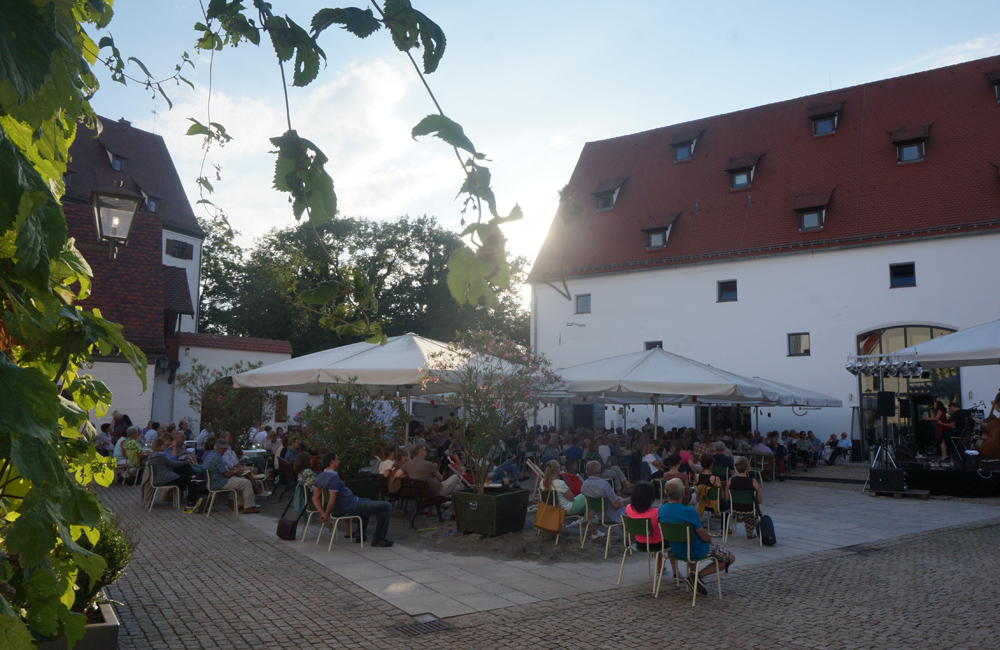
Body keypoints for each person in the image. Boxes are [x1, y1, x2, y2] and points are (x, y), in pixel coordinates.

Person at [658, 478, 735, 596]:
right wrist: (709, 540)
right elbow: (704, 538)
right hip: (695, 549)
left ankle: (693, 574)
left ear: (667, 493)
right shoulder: (689, 511)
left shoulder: (661, 510)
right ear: (683, 493)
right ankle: (696, 576)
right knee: (730, 557)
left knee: (690, 541)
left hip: (676, 550)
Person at [312, 452, 394, 547]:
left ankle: (360, 534)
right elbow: (332, 500)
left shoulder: (320, 476)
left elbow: (315, 498)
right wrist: (326, 514)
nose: (339, 461)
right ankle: (379, 538)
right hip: (350, 506)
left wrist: (322, 513)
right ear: (332, 461)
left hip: (349, 503)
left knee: (367, 500)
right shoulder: (333, 477)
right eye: (337, 459)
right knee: (386, 506)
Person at [203, 439, 259, 513]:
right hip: (219, 483)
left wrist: (234, 470)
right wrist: (236, 471)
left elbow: (223, 468)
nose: (225, 451)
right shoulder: (217, 458)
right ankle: (248, 507)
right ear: (221, 449)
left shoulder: (211, 455)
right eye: (225, 449)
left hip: (212, 481)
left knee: (240, 480)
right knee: (247, 483)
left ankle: (240, 503)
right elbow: (227, 474)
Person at [623, 480, 664, 573]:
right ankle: (673, 572)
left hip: (640, 542)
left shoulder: (628, 508)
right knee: (668, 540)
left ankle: (660, 567)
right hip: (655, 544)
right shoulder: (656, 512)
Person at [580, 460, 628, 538]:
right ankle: (630, 539)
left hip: (599, 516)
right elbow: (616, 505)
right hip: (612, 516)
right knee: (629, 506)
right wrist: (626, 501)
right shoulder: (604, 484)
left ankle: (594, 532)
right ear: (599, 470)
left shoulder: (584, 485)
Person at [146, 438, 195, 505]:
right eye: (163, 445)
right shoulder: (160, 456)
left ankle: (183, 498)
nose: (165, 446)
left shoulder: (152, 455)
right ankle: (191, 501)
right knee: (191, 480)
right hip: (164, 479)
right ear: (159, 446)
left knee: (184, 477)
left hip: (159, 478)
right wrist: (186, 462)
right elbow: (172, 463)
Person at [727, 456, 763, 539]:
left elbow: (728, 498)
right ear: (747, 467)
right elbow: (759, 501)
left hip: (735, 508)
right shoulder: (753, 481)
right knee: (755, 512)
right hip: (749, 509)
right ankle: (749, 532)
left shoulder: (731, 480)